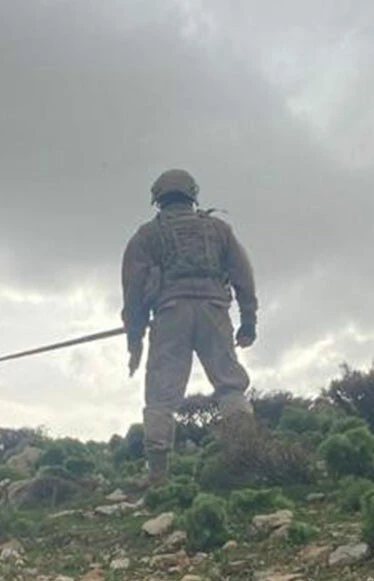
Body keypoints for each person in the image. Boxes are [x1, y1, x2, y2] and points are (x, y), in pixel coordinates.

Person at [121, 168, 259, 487]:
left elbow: (133, 290)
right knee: (230, 386)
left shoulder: (146, 235)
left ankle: (158, 477)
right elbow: (243, 276)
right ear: (192, 194)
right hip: (214, 311)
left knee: (160, 396)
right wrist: (248, 321)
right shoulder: (219, 230)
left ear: (157, 199)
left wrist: (135, 337)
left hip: (170, 315)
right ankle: (249, 460)